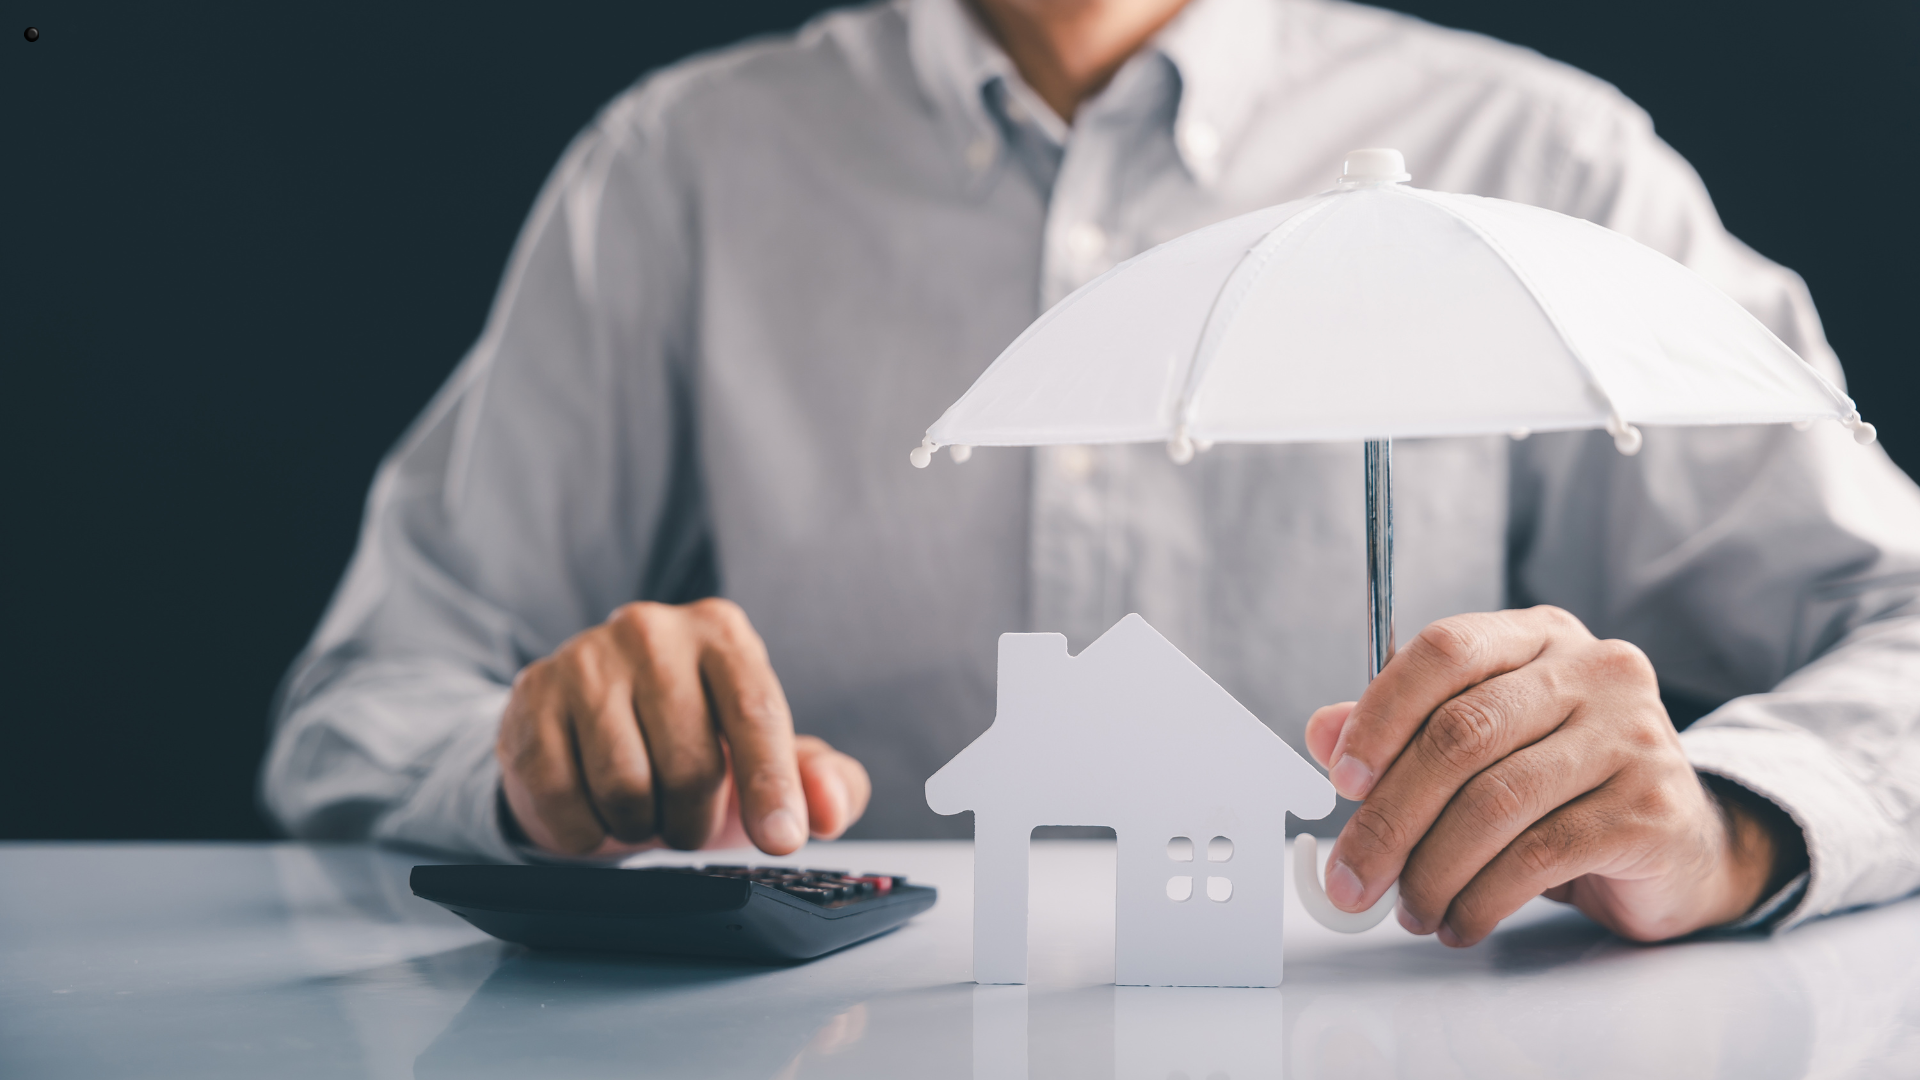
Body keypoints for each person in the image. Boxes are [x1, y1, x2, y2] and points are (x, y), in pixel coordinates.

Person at [262, 0, 1920, 947]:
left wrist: (1731, 825)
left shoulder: (1544, 164)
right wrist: (535, 762)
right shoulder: (680, 171)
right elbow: (362, 700)